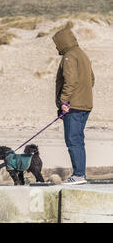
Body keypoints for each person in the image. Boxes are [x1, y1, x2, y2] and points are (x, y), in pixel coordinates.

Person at [53, 23, 95, 185]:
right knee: (78, 139)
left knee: (73, 140)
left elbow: (70, 81)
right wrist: (82, 96)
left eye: (57, 44)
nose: (56, 47)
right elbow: (91, 79)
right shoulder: (82, 54)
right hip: (84, 104)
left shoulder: (70, 56)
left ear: (63, 41)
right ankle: (80, 174)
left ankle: (78, 175)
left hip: (74, 106)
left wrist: (64, 100)